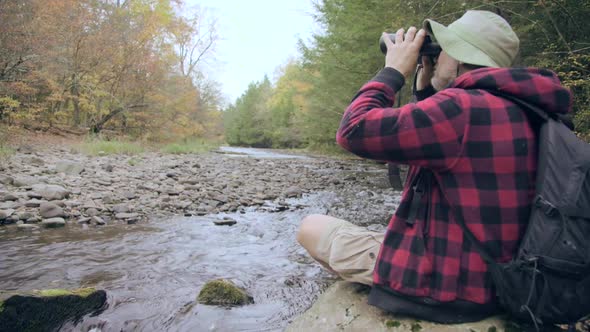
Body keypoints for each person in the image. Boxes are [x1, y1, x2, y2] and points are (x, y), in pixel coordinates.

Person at [297, 10, 572, 323]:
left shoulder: (460, 109)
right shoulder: (537, 113)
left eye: (442, 51)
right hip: (508, 282)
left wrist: (392, 73)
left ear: (458, 57)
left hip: (442, 286)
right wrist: (426, 91)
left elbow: (353, 130)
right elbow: (444, 159)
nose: (436, 57)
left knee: (312, 227)